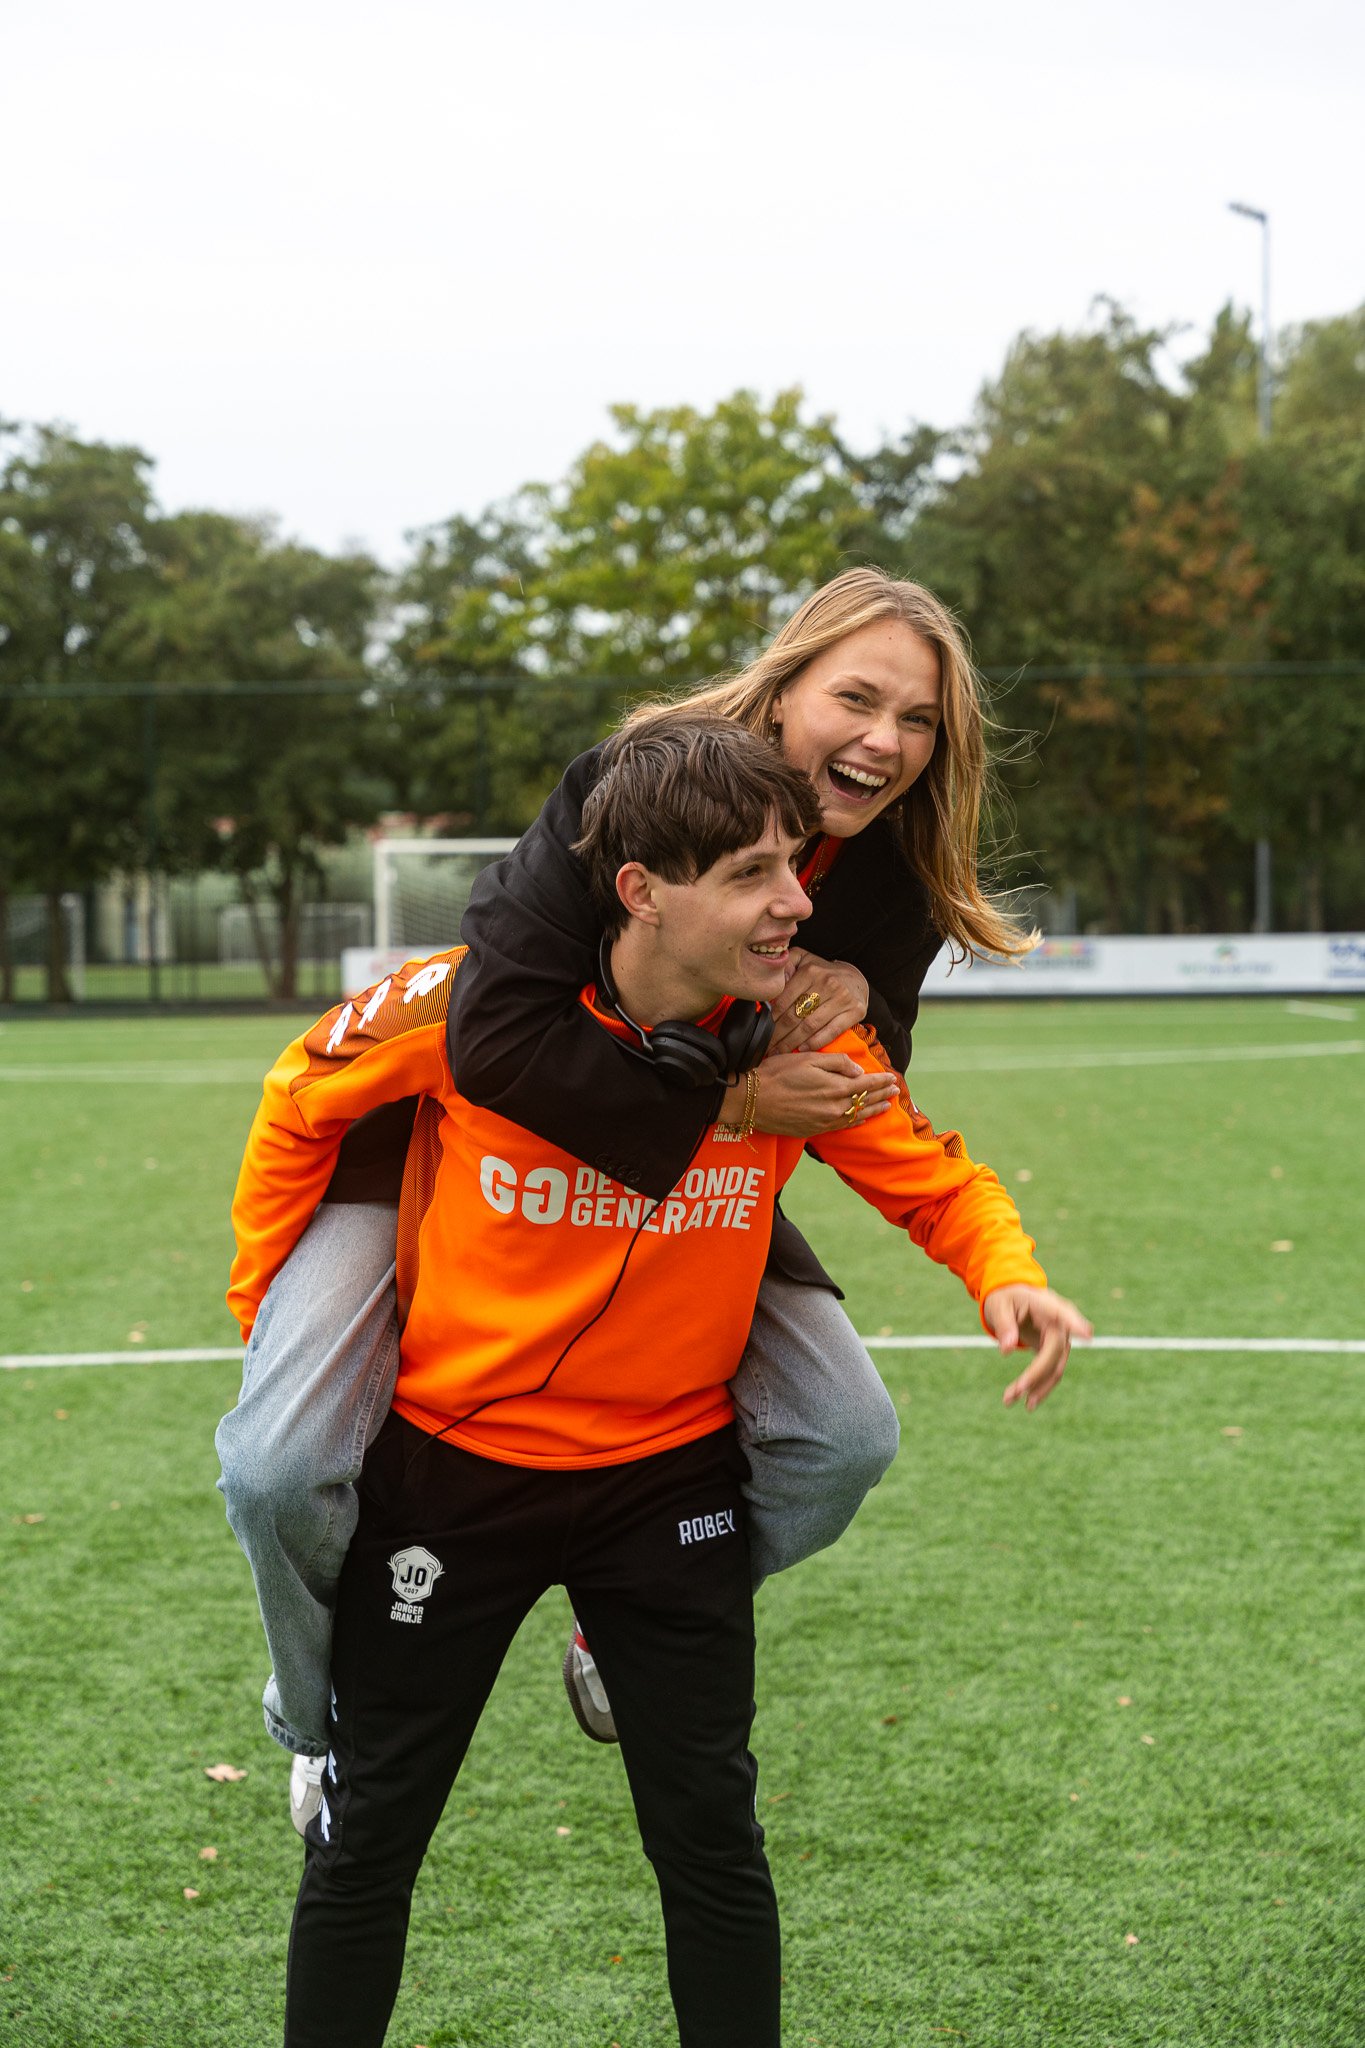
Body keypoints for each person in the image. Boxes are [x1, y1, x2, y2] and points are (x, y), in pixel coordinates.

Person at [226, 716, 1090, 2048]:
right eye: (751, 874)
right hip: (449, 1481)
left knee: (712, 1846)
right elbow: (297, 1099)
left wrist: (1006, 1275)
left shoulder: (800, 1035)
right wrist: (269, 1316)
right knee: (365, 1849)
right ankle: (315, 1717)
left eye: (792, 866)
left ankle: (603, 1662)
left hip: (668, 1489)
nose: (798, 901)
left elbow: (933, 1173)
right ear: (639, 891)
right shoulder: (466, 1010)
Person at [216, 566, 1037, 1812]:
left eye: (918, 719)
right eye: (857, 697)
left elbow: (874, 1084)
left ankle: (629, 1612)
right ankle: (314, 1712)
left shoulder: (893, 865)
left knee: (847, 1434)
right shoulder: (630, 787)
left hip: (681, 1189)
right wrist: (264, 1305)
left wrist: (859, 1007)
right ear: (784, 686)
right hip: (462, 1150)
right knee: (277, 1462)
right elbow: (491, 1038)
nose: (886, 739)